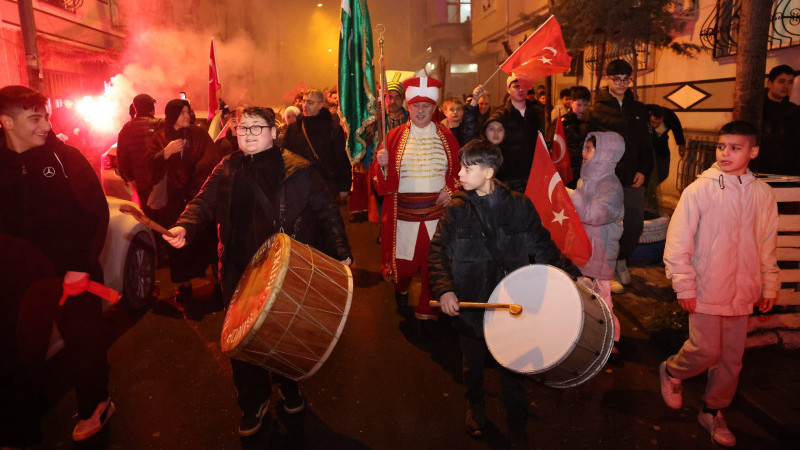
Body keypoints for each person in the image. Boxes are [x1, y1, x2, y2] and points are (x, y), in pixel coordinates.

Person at [163, 106, 352, 437]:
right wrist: (185, 226)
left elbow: (326, 212)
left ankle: (289, 387)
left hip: (284, 265)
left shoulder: (299, 169)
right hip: (238, 268)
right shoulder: (227, 167)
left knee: (284, 328)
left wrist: (341, 253)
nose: (247, 135)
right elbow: (202, 203)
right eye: (241, 129)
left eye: (255, 128)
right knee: (241, 338)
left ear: (274, 133)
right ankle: (253, 402)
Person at [428, 139, 581, 449]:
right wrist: (444, 290)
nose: (459, 173)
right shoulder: (457, 209)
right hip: (471, 304)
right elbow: (438, 252)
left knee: (513, 366)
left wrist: (575, 276)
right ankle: (475, 405)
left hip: (510, 304)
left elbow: (542, 246)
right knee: (471, 363)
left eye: (467, 168)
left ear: (489, 172)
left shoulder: (519, 205)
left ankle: (517, 423)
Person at [0, 85, 113, 445]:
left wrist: (80, 265)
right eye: (35, 118)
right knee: (13, 356)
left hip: (72, 276)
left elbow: (95, 213)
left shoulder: (65, 158)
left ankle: (96, 405)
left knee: (86, 345)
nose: (46, 125)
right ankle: (18, 429)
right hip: (17, 285)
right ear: (6, 122)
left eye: (46, 116)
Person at [660, 120, 779, 447]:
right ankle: (672, 371)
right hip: (707, 289)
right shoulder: (699, 190)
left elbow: (767, 243)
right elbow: (678, 242)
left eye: (735, 147)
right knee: (705, 349)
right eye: (721, 146)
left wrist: (769, 285)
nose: (725, 153)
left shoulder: (763, 193)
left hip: (742, 292)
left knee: (731, 358)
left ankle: (712, 411)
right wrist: (684, 285)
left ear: (753, 152)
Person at [370, 76, 460, 334]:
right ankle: (401, 286)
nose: (421, 111)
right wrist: (382, 165)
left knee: (435, 265)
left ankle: (427, 312)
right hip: (404, 216)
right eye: (416, 106)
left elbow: (460, 172)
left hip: (438, 216)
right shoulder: (394, 136)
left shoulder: (447, 136)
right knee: (404, 267)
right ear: (408, 107)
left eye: (427, 106)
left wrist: (450, 189)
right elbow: (383, 187)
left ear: (435, 108)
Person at [581, 59, 654, 293]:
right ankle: (607, 270)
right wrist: (586, 177)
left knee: (633, 224)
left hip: (632, 177)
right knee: (604, 227)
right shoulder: (596, 110)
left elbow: (646, 144)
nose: (622, 83)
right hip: (604, 179)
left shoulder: (639, 110)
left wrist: (644, 169)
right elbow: (584, 146)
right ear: (607, 80)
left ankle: (620, 258)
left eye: (626, 79)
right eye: (617, 79)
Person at [148, 99, 217, 304]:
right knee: (178, 244)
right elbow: (149, 167)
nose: (187, 116)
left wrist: (196, 189)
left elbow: (210, 162)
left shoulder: (199, 134)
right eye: (182, 113)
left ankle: (216, 278)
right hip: (173, 201)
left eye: (188, 112)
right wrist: (165, 154)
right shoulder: (160, 137)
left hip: (197, 196)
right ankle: (184, 284)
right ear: (171, 116)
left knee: (205, 238)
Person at [570, 132, 625, 351]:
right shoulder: (590, 178)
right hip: (587, 246)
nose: (584, 153)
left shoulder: (610, 184)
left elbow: (596, 215)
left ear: (605, 153)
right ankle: (590, 334)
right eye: (584, 147)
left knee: (602, 297)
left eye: (590, 149)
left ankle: (611, 338)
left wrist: (573, 197)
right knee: (586, 293)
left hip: (601, 250)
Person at [283, 89, 351, 199]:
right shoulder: (293, 129)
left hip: (326, 185)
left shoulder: (332, 128)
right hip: (300, 186)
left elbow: (341, 157)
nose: (305, 105)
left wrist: (344, 185)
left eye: (310, 102)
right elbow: (286, 157)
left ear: (320, 104)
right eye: (304, 101)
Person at [494, 74, 545, 193]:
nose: (521, 90)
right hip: (508, 178)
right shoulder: (501, 114)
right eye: (516, 86)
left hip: (532, 175)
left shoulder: (536, 113)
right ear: (508, 89)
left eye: (523, 86)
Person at [117, 93, 164, 215]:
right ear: (151, 108)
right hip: (162, 181)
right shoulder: (160, 124)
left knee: (149, 216)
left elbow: (122, 159)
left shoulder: (125, 129)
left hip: (142, 183)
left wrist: (129, 179)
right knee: (167, 217)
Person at [753, 64, 800, 175]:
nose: (786, 86)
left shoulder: (794, 110)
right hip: (761, 168)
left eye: (790, 82)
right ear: (770, 84)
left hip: (788, 170)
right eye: (781, 81)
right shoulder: (757, 108)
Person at [647, 104, 685, 184]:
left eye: (658, 123)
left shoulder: (670, 116)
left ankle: (651, 188)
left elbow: (677, 128)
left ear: (663, 118)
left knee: (663, 173)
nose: (655, 125)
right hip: (647, 149)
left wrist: (681, 144)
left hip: (662, 149)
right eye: (653, 122)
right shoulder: (643, 113)